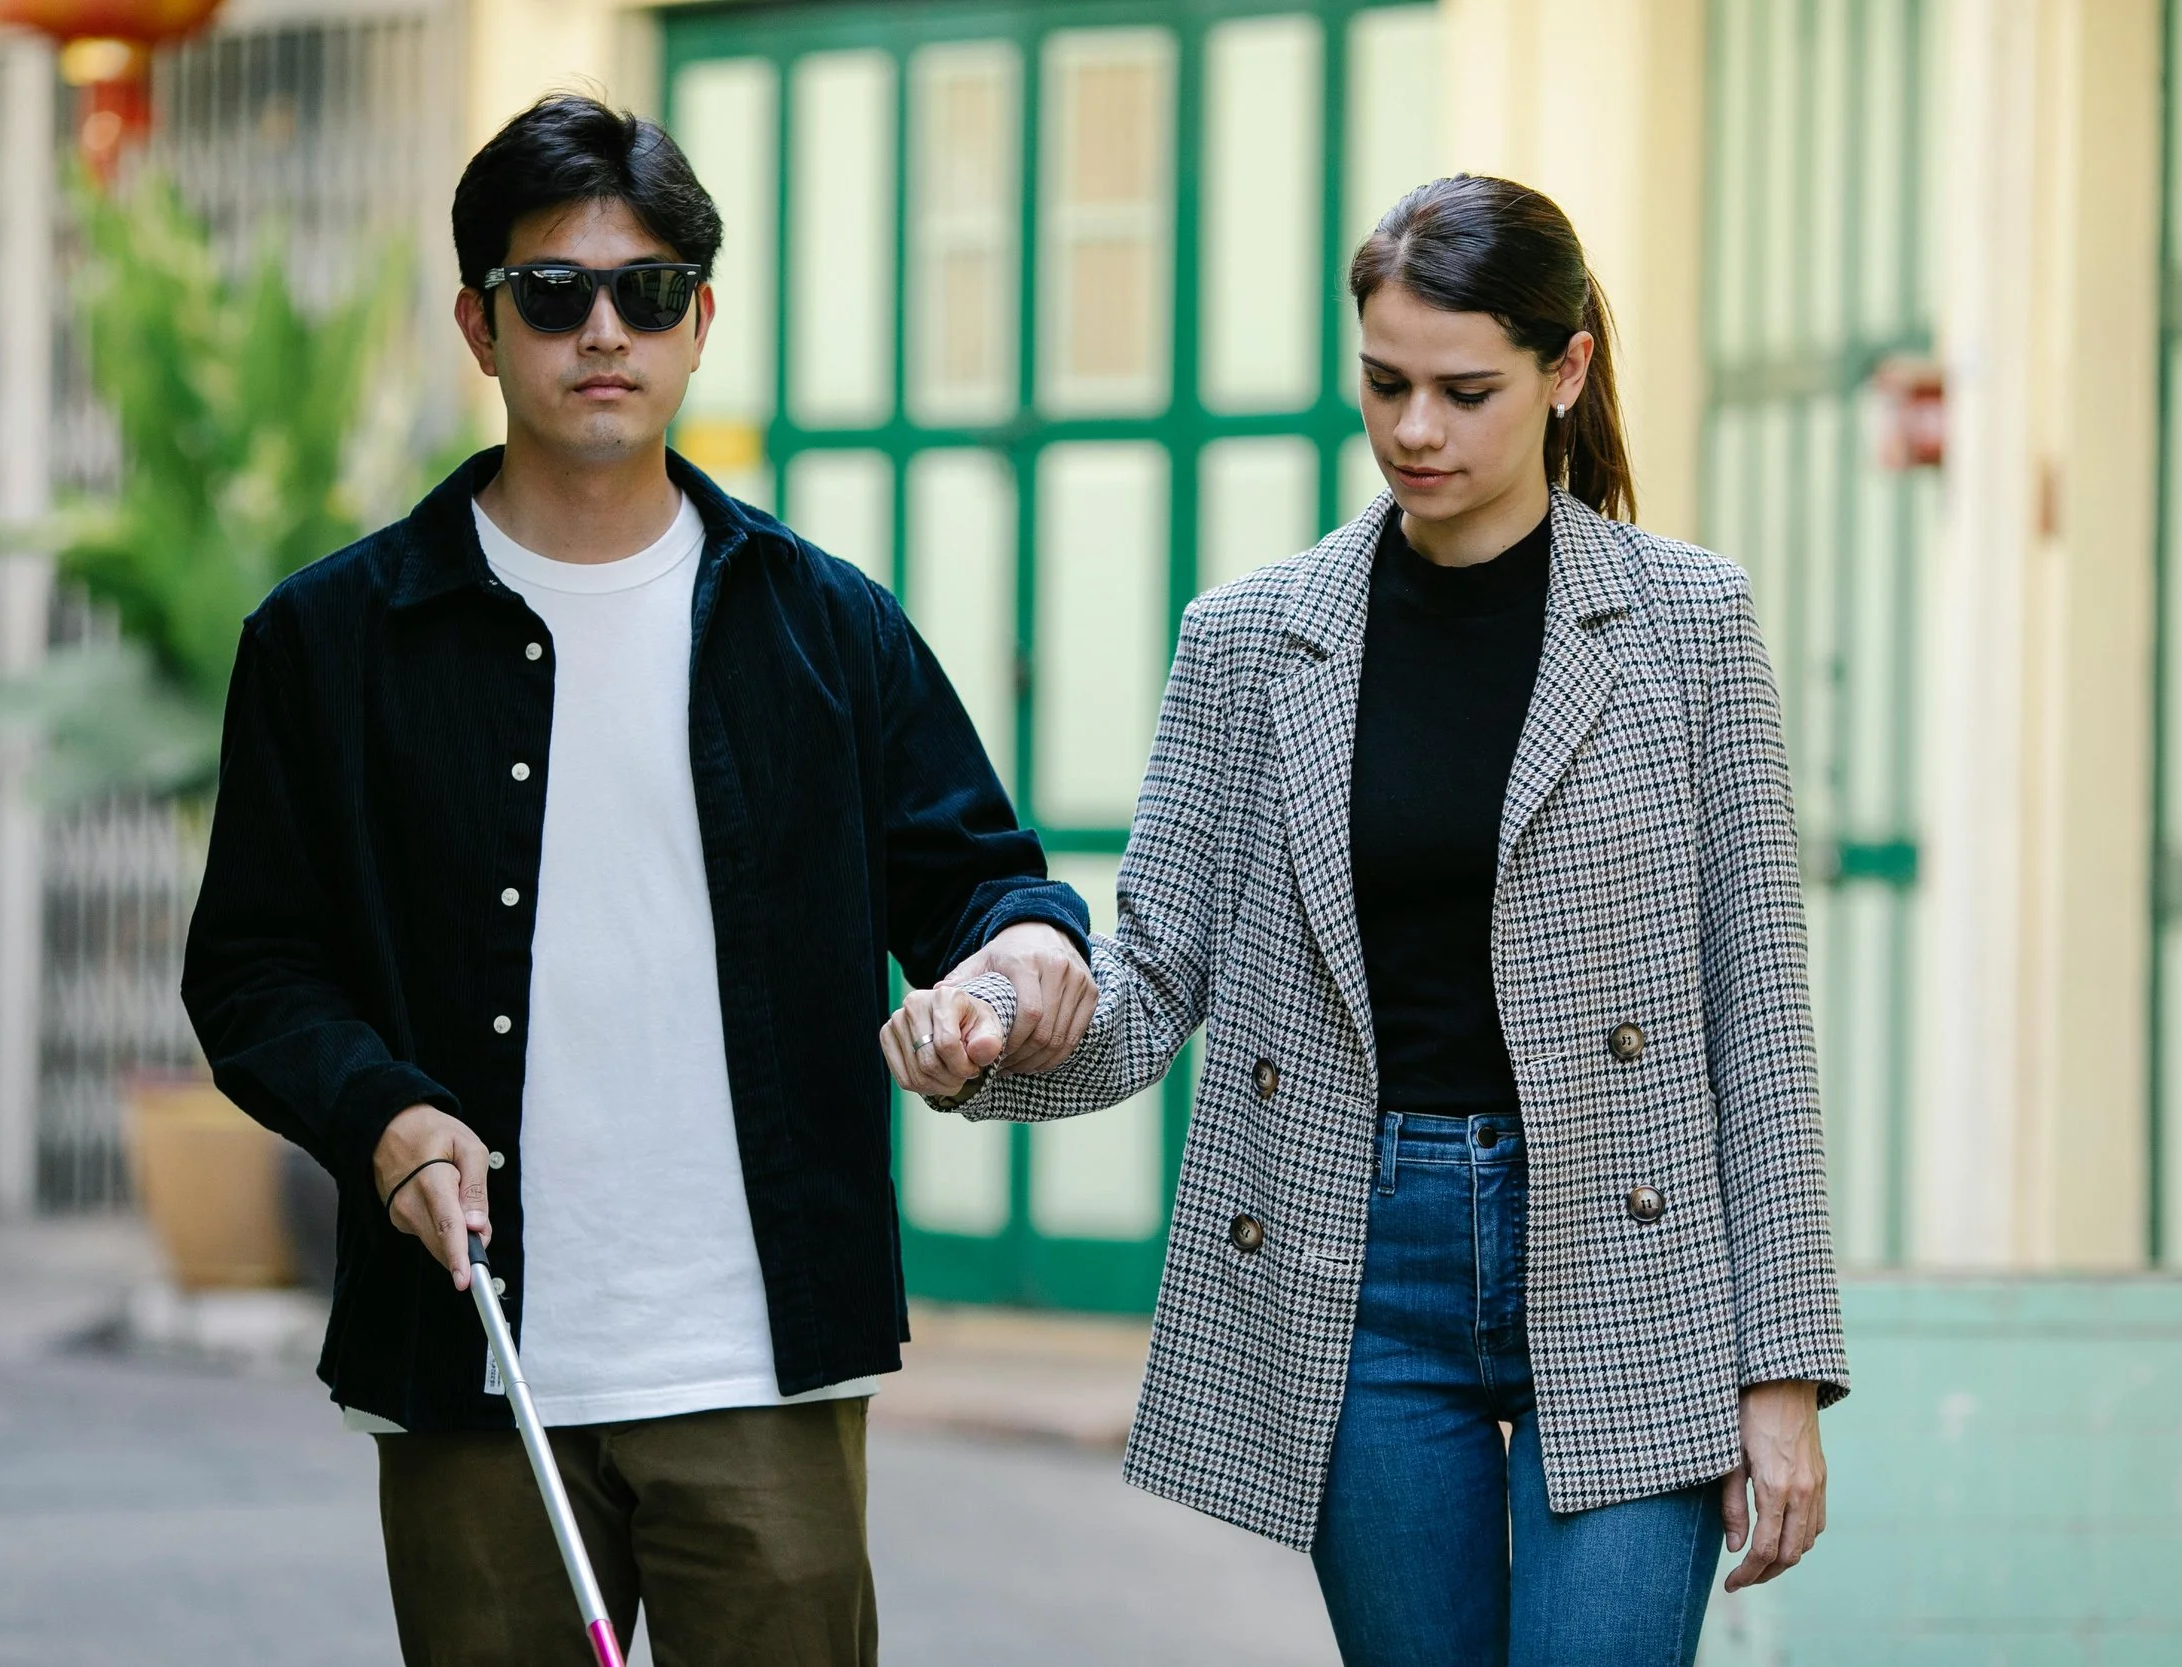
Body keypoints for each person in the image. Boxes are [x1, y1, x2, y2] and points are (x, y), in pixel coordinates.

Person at [884, 174, 1849, 1666]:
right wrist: (991, 1033)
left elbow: (1757, 1019)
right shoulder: (1252, 639)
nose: (1416, 430)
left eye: (1466, 391)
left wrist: (1781, 1373)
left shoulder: (1691, 624)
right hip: (1355, 1253)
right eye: (1385, 383)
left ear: (1566, 368)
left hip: (1628, 1243)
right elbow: (1148, 983)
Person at [181, 94, 1096, 1667]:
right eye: (554, 294)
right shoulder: (329, 644)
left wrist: (1011, 966)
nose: (604, 329)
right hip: (478, 1359)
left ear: (699, 320)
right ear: (481, 324)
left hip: (760, 1356)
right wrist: (385, 1114)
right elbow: (253, 970)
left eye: (648, 291)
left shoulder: (828, 627)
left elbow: (980, 880)